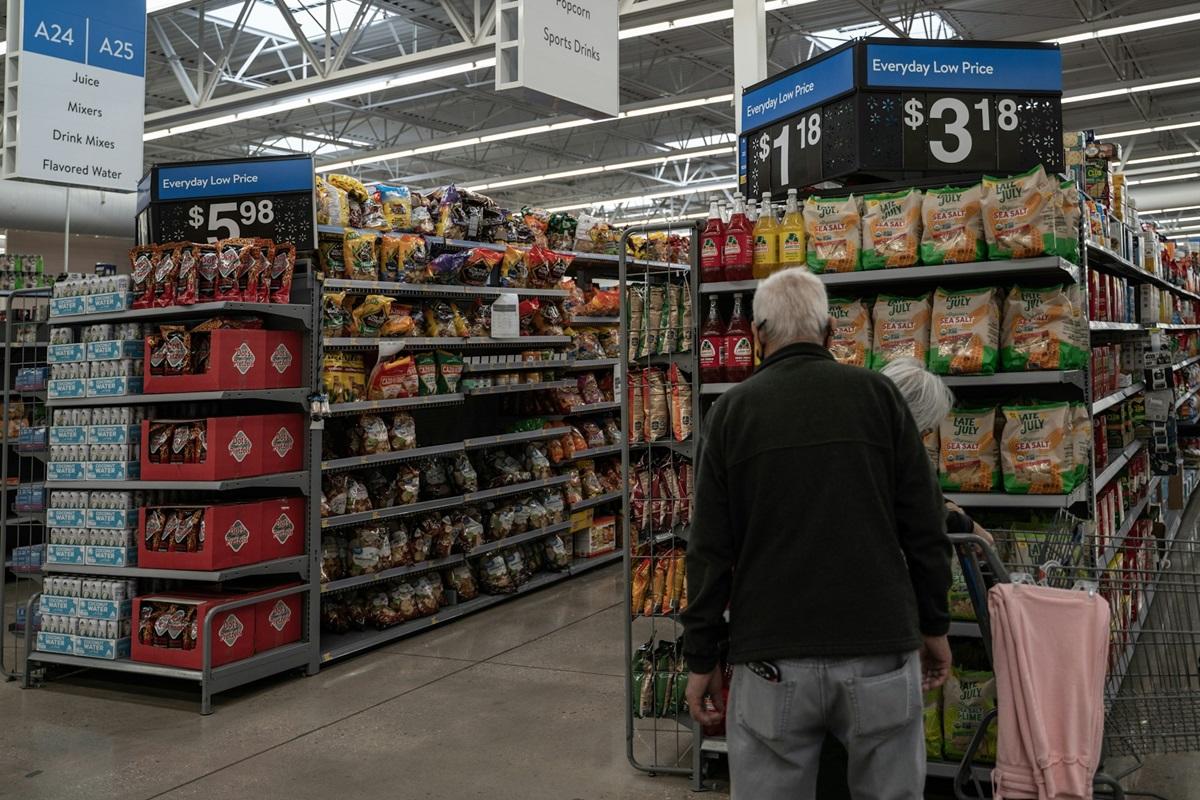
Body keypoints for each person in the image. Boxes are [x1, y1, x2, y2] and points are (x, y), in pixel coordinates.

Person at [682, 268, 953, 800]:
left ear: (758, 335)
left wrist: (701, 657)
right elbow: (925, 526)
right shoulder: (880, 397)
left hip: (771, 657)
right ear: (830, 332)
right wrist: (934, 625)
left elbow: (709, 549)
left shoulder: (732, 412)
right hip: (879, 646)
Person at [880, 357, 995, 544]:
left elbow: (911, 493)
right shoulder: (881, 455)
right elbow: (912, 510)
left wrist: (945, 505)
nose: (922, 441)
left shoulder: (868, 439)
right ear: (910, 420)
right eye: (925, 432)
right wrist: (967, 526)